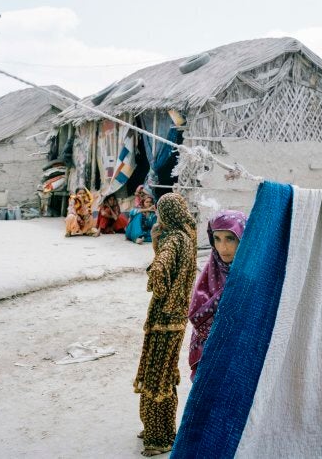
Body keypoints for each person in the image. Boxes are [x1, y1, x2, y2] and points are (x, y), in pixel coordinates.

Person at [133, 193, 197, 457]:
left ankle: (159, 437)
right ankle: (157, 427)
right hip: (177, 318)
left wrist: (157, 285)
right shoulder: (186, 237)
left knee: (157, 375)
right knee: (164, 373)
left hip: (163, 319)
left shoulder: (172, 239)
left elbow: (159, 271)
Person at [188, 209, 247, 381]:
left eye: (230, 238)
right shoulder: (210, 272)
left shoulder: (253, 277)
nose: (222, 247)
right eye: (217, 239)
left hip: (240, 359)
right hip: (208, 356)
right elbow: (196, 315)